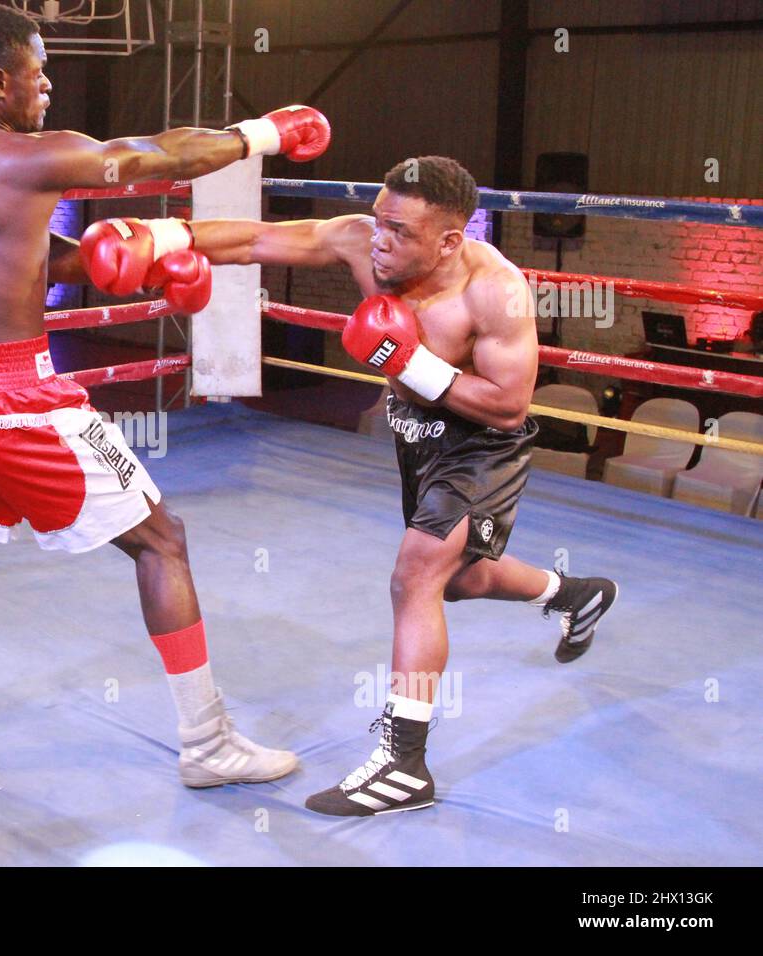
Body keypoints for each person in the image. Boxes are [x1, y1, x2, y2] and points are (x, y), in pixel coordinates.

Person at [0, 3, 330, 784]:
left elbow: (23, 254)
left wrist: (130, 254)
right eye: (39, 72)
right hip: (16, 400)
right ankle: (208, 743)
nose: (48, 86)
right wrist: (264, 134)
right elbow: (154, 158)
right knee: (161, 541)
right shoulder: (32, 157)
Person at [144, 155, 618, 814]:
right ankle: (573, 593)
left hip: (481, 446)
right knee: (462, 577)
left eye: (400, 231)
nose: (381, 242)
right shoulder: (363, 241)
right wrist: (163, 239)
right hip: (417, 438)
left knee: (416, 575)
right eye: (379, 223)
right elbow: (256, 238)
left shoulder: (494, 292)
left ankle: (404, 764)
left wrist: (411, 364)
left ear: (451, 240)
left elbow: (510, 406)